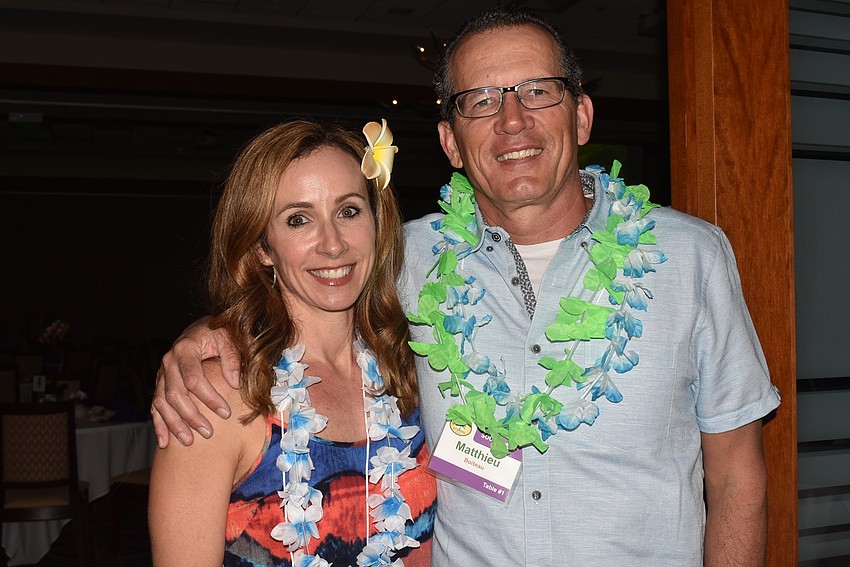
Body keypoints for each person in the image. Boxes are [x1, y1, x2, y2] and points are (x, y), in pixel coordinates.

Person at [152, 8, 781, 566]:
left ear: (582, 114)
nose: (512, 120)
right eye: (481, 100)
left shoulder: (691, 257)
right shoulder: (407, 259)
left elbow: (737, 481)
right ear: (451, 141)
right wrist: (207, 337)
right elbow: (300, 287)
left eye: (538, 91)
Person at [148, 119, 435, 566]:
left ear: (377, 224)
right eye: (298, 220)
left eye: (349, 211)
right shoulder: (216, 393)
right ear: (262, 247)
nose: (333, 244)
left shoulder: (414, 373)